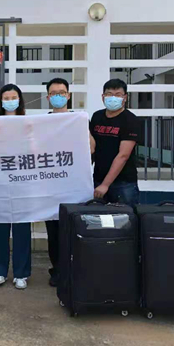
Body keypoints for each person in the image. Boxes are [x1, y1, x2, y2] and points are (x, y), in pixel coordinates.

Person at [44, 78, 96, 287]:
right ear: (48, 97)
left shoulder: (78, 119)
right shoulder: (42, 122)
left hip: (73, 186)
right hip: (50, 187)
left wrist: (83, 127)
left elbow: (91, 148)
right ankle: (57, 270)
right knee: (54, 232)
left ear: (68, 95)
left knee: (72, 230)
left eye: (62, 92)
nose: (58, 96)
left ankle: (73, 270)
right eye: (53, 93)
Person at [0, 84, 32, 290]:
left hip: (22, 181)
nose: (10, 101)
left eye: (13, 97)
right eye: (6, 98)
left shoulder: (29, 124)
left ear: (20, 100)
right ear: (0, 101)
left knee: (22, 228)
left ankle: (21, 273)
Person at [89, 78, 140, 207]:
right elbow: (92, 148)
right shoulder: (97, 117)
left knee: (125, 218)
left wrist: (105, 185)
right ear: (103, 97)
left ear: (125, 98)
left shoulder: (130, 120)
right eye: (109, 94)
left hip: (123, 184)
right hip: (98, 179)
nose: (113, 98)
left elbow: (123, 156)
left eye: (118, 95)